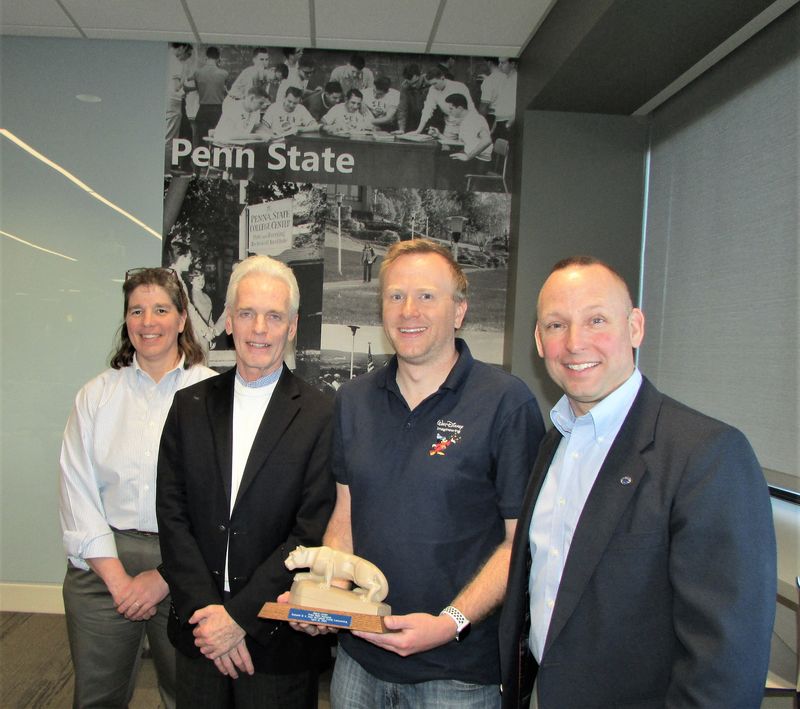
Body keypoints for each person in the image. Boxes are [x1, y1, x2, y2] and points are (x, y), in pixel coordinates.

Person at [499, 256, 777, 708]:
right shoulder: (555, 442)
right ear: (538, 339)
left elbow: (726, 664)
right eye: (556, 324)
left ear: (635, 327)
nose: (575, 342)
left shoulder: (707, 454)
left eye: (596, 320)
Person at [291, 239, 545, 707]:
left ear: (460, 311)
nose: (409, 310)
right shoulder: (353, 400)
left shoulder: (506, 403)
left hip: (458, 675)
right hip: (359, 663)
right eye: (395, 296)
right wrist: (329, 599)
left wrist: (448, 623)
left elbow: (518, 543)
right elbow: (346, 515)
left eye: (427, 296)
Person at [156, 255, 335, 708]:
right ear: (229, 321)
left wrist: (239, 617)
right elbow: (172, 516)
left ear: (292, 327)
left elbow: (310, 529)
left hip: (277, 636)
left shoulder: (321, 415)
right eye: (248, 313)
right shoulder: (188, 406)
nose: (259, 328)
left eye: (274, 316)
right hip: (200, 633)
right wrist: (208, 614)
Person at [59, 267, 216, 709]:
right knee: (97, 698)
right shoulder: (96, 396)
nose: (148, 321)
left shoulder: (213, 396)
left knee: (189, 695)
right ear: (126, 320)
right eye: (137, 310)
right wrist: (118, 581)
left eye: (161, 309)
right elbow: (77, 491)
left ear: (183, 319)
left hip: (186, 565)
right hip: (101, 567)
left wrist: (165, 577)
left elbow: (220, 502)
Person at [429, 94, 492, 165]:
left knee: (436, 161)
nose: (449, 111)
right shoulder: (466, 119)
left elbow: (487, 140)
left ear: (459, 108)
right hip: (471, 157)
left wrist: (468, 157)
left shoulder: (476, 119)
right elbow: (459, 143)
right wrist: (439, 135)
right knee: (436, 157)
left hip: (478, 160)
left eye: (451, 109)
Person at [414, 66, 475, 138]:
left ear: (442, 78)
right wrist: (418, 130)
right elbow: (427, 110)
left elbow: (471, 108)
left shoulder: (459, 87)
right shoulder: (432, 89)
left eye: (435, 83)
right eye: (431, 84)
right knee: (447, 146)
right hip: (450, 124)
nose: (433, 86)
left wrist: (472, 125)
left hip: (465, 122)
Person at [190, 46, 229, 150]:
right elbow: (225, 91)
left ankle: (200, 164)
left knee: (201, 141)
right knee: (218, 141)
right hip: (218, 110)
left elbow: (197, 88)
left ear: (206, 57)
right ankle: (214, 163)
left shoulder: (198, 73)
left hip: (203, 110)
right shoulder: (224, 73)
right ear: (218, 58)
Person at [395, 64, 426, 134]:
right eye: (410, 84)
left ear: (420, 75)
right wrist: (401, 128)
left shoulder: (430, 83)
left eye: (415, 82)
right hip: (413, 119)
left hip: (429, 119)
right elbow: (402, 108)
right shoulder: (405, 86)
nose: (414, 86)